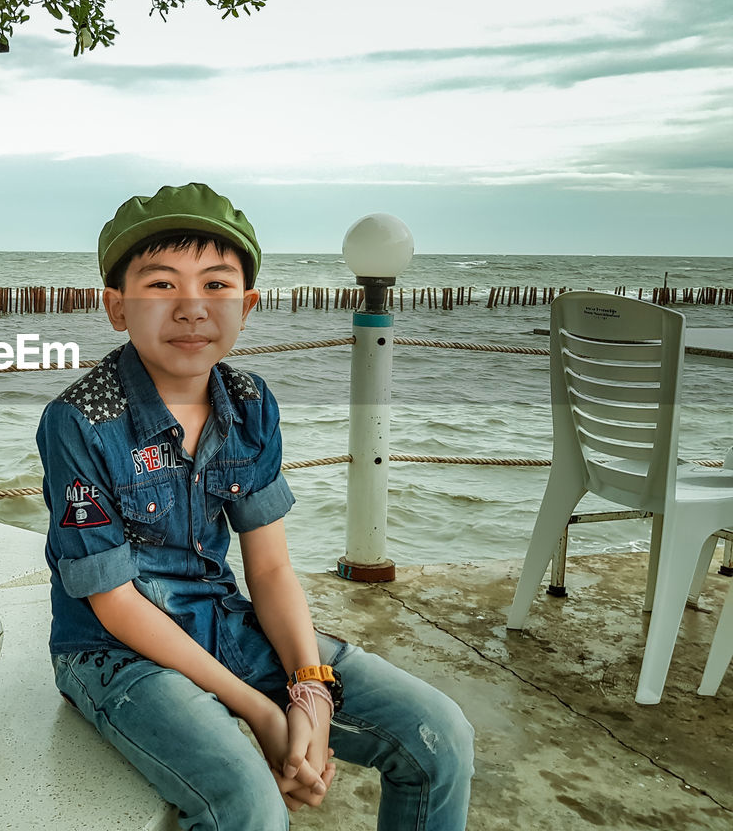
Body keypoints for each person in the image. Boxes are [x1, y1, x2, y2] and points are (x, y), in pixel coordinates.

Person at [36, 183, 474, 831]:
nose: (191, 308)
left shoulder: (249, 403)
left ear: (247, 305)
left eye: (216, 286)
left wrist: (311, 691)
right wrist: (261, 712)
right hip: (112, 653)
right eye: (161, 285)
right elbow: (115, 602)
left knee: (440, 736)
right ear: (116, 307)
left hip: (222, 625)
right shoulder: (81, 421)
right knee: (249, 804)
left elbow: (268, 570)